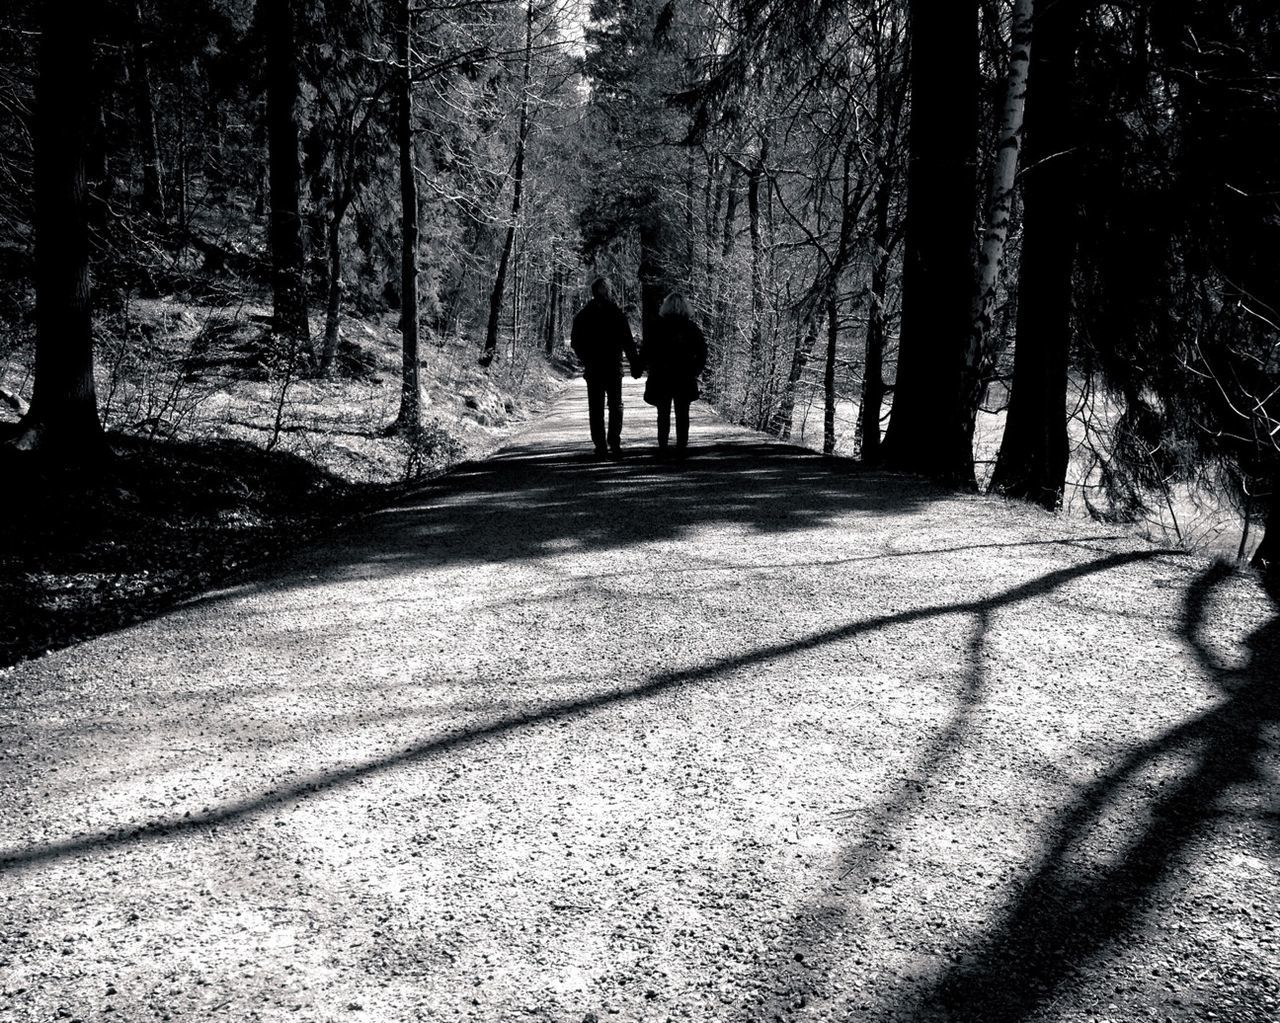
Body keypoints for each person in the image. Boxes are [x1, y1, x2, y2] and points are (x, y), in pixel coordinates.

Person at [570, 277, 640, 458]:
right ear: (608, 291)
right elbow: (628, 341)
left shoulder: (584, 315)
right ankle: (614, 442)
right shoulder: (616, 314)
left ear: (593, 292)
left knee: (596, 407)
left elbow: (576, 342)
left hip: (594, 367)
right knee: (615, 405)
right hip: (613, 367)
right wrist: (635, 364)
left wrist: (585, 359)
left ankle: (600, 444)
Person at [643, 292, 707, 458]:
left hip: (662, 375)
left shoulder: (656, 327)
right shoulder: (691, 328)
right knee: (682, 412)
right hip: (684, 376)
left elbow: (647, 351)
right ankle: (681, 445)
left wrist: (646, 367)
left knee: (663, 412)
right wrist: (695, 370)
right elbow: (702, 352)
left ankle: (663, 445)